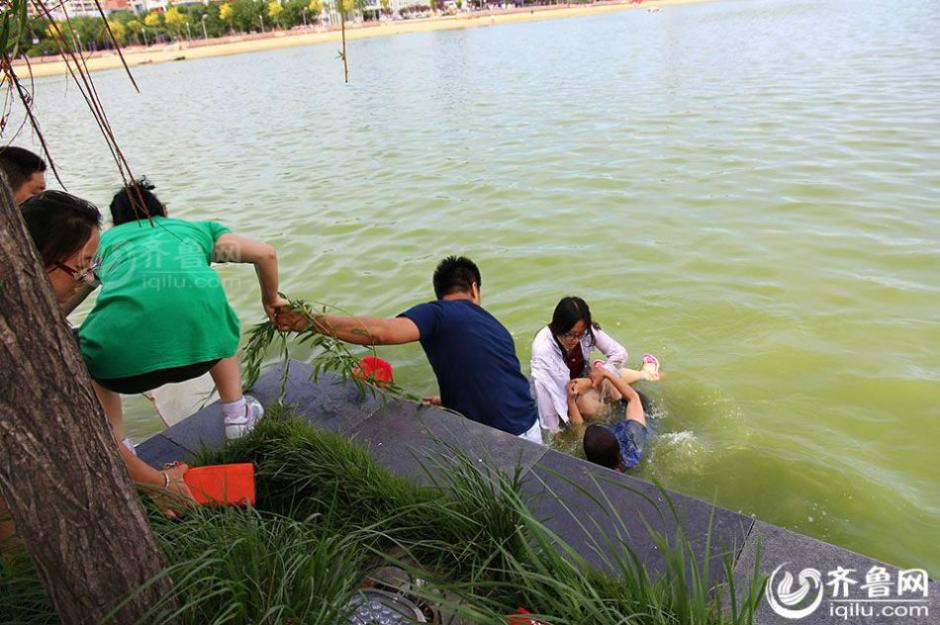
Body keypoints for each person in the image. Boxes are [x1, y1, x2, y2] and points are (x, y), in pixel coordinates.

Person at [3, 191, 195, 555]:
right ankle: (28, 578)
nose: (87, 277)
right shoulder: (23, 349)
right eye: (83, 264)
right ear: (37, 259)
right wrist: (162, 482)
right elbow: (74, 432)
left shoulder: (26, 310)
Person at [79, 179, 287, 446]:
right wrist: (271, 300)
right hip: (205, 356)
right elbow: (265, 254)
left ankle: (119, 445)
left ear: (116, 222)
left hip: (117, 372)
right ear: (163, 210)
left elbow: (75, 289)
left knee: (88, 348)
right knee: (216, 319)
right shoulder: (195, 230)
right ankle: (237, 416)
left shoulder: (104, 243)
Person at [275, 256, 543, 443]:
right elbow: (491, 376)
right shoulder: (494, 325)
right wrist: (449, 401)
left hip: (501, 439)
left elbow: (379, 332)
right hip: (530, 427)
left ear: (440, 292)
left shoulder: (438, 314)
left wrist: (307, 321)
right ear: (474, 288)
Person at [530, 296, 660, 433]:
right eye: (570, 335)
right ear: (558, 327)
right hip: (560, 388)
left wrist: (589, 380)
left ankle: (644, 374)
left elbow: (619, 353)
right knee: (594, 410)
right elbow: (546, 395)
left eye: (580, 335)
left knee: (612, 388)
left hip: (582, 376)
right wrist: (554, 430)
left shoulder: (587, 331)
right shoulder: (543, 349)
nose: (575, 340)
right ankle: (603, 373)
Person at [582, 370, 649, 472]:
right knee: (639, 398)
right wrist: (607, 374)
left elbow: (578, 426)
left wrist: (571, 399)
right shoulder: (632, 448)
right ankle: (647, 373)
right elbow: (634, 398)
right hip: (643, 422)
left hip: (625, 423)